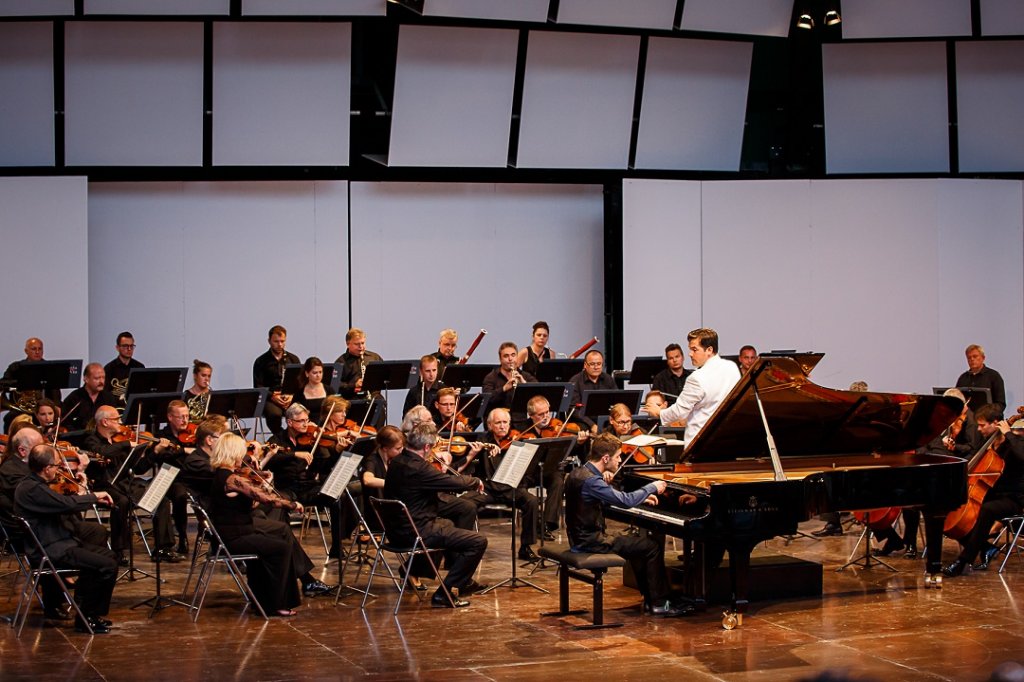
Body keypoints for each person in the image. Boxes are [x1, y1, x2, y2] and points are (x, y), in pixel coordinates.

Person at [564, 433, 693, 617]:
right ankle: (658, 603)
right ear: (605, 458)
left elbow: (608, 499)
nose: (620, 460)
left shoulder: (578, 473)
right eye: (618, 456)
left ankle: (651, 598)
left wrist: (641, 497)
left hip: (579, 537)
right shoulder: (592, 481)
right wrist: (651, 487)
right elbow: (625, 501)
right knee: (651, 547)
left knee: (640, 545)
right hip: (591, 541)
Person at [14, 443, 118, 633]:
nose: (59, 468)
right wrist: (93, 496)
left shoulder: (35, 484)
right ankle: (86, 618)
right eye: (56, 465)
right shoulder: (31, 489)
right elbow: (65, 504)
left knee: (109, 558)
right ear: (46, 469)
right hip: (51, 549)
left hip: (60, 543)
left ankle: (88, 613)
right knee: (106, 566)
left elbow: (64, 503)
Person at [383, 421, 488, 607]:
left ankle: (411, 569)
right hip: (415, 532)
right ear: (426, 447)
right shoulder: (419, 469)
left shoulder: (397, 461)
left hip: (395, 530)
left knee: (448, 523)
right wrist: (475, 481)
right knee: (478, 541)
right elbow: (452, 482)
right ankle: (445, 592)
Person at [208, 432, 305, 617]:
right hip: (234, 537)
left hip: (240, 531)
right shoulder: (230, 478)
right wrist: (292, 504)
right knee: (281, 548)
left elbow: (250, 503)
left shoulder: (225, 475)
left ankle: (261, 600)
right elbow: (266, 500)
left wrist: (265, 484)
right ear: (233, 453)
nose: (243, 457)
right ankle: (276, 604)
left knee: (273, 542)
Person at [943, 403, 1024, 577]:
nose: (979, 429)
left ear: (996, 423)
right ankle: (986, 548)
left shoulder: (1015, 442)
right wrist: (954, 449)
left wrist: (1008, 433)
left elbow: (1022, 456)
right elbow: (972, 465)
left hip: (1013, 499)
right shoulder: (987, 444)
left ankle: (964, 561)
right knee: (948, 510)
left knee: (987, 509)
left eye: (982, 425)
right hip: (989, 495)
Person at [644, 328, 741, 447]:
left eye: (694, 350)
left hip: (700, 441)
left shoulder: (696, 378)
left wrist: (660, 412)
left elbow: (680, 411)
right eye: (690, 349)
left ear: (709, 350)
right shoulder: (732, 367)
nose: (690, 354)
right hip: (728, 436)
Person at [478, 407, 542, 561]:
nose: (502, 426)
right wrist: (483, 450)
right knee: (465, 503)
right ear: (490, 425)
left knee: (532, 501)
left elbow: (529, 472)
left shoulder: (518, 440)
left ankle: (526, 547)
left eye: (505, 422)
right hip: (488, 490)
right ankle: (466, 550)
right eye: (498, 423)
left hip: (512, 488)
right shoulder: (483, 440)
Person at [154, 399, 193, 555]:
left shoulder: (193, 434)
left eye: (187, 416)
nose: (185, 421)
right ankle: (182, 536)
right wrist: (184, 450)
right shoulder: (162, 436)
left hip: (192, 477)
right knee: (179, 495)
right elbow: (164, 457)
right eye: (180, 417)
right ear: (170, 417)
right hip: (171, 478)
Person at [2, 337, 61, 431]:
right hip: (20, 410)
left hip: (43, 408)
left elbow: (55, 392)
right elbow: (3, 383)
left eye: (40, 349)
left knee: (53, 416)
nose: (37, 352)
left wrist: (56, 406)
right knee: (9, 418)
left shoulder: (49, 368)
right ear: (26, 351)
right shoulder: (16, 367)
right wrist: (22, 383)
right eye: (34, 349)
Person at [253, 325, 300, 437]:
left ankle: (297, 438)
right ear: (269, 341)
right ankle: (280, 438)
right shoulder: (261, 361)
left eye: (282, 341)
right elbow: (258, 386)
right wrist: (272, 396)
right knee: (274, 415)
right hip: (271, 399)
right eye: (276, 341)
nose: (280, 345)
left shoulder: (293, 359)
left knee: (301, 412)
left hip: (289, 396)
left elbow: (300, 383)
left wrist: (292, 396)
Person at [567, 350, 618, 432]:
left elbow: (616, 403)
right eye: (592, 364)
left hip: (606, 420)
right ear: (585, 365)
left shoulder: (608, 379)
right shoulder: (575, 381)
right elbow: (574, 410)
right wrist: (592, 425)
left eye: (599, 364)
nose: (596, 367)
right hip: (583, 422)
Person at [61, 362, 119, 432]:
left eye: (103, 378)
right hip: (79, 438)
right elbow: (65, 423)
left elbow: (115, 420)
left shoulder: (109, 397)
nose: (101, 381)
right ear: (86, 379)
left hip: (104, 439)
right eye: (97, 378)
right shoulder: (74, 398)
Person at [482, 342, 535, 412]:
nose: (510, 359)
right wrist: (504, 388)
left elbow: (538, 395)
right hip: (498, 419)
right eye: (506, 356)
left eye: (513, 355)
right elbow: (486, 399)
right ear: (500, 359)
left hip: (520, 420)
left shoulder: (525, 376)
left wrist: (524, 385)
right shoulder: (491, 377)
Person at [335, 328, 383, 400]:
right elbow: (335, 385)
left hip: (373, 397)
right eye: (357, 344)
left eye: (363, 343)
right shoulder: (341, 362)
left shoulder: (374, 357)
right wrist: (354, 385)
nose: (361, 346)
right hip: (352, 399)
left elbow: (384, 377)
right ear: (348, 344)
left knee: (381, 401)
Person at [956, 344, 1006, 411]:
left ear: (983, 358)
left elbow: (1000, 404)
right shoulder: (963, 378)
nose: (972, 359)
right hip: (966, 419)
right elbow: (956, 401)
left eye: (975, 356)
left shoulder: (994, 376)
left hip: (988, 419)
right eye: (969, 357)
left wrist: (986, 414)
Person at [103, 331, 144, 405]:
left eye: (131, 346)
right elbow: (105, 394)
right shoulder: (109, 368)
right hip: (115, 408)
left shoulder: (139, 367)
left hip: (134, 406)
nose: (129, 349)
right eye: (125, 346)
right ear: (117, 348)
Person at [403, 355, 447, 420]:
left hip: (438, 427)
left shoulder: (443, 390)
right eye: (428, 371)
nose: (431, 374)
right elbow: (406, 416)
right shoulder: (414, 391)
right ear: (421, 372)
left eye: (434, 370)